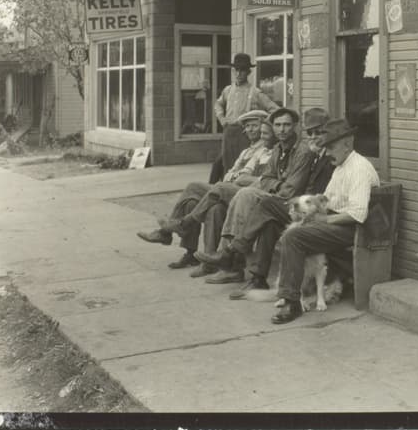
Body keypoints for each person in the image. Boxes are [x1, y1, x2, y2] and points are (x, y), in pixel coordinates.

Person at [198, 108, 334, 291]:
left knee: (248, 197)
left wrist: (275, 185)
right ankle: (256, 278)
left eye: (319, 132)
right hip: (293, 205)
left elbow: (291, 189)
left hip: (303, 209)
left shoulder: (316, 155)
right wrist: (277, 184)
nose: (314, 137)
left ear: (294, 127)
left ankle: (230, 254)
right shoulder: (282, 150)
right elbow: (266, 179)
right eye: (310, 132)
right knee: (221, 207)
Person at [271, 118, 380, 324]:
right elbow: (326, 199)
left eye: (331, 147)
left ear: (347, 144)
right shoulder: (341, 167)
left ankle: (291, 301)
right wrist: (306, 212)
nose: (327, 152)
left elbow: (357, 214)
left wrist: (322, 220)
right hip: (335, 220)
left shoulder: (358, 168)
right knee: (291, 228)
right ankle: (289, 292)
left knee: (294, 237)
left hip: (353, 228)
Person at [136, 110, 275, 269]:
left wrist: (236, 177)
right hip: (232, 188)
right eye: (247, 127)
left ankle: (170, 230)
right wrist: (235, 176)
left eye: (255, 127)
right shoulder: (247, 151)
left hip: (244, 194)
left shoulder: (266, 150)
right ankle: (192, 254)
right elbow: (232, 173)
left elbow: (246, 178)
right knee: (194, 203)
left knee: (194, 187)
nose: (251, 130)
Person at [209, 53, 279, 183]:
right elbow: (218, 104)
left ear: (248, 72)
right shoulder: (228, 90)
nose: (239, 73)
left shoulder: (255, 92)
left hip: (245, 135)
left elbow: (274, 109)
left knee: (243, 165)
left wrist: (262, 124)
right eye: (236, 70)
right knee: (225, 165)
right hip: (228, 133)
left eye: (242, 70)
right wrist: (221, 118)